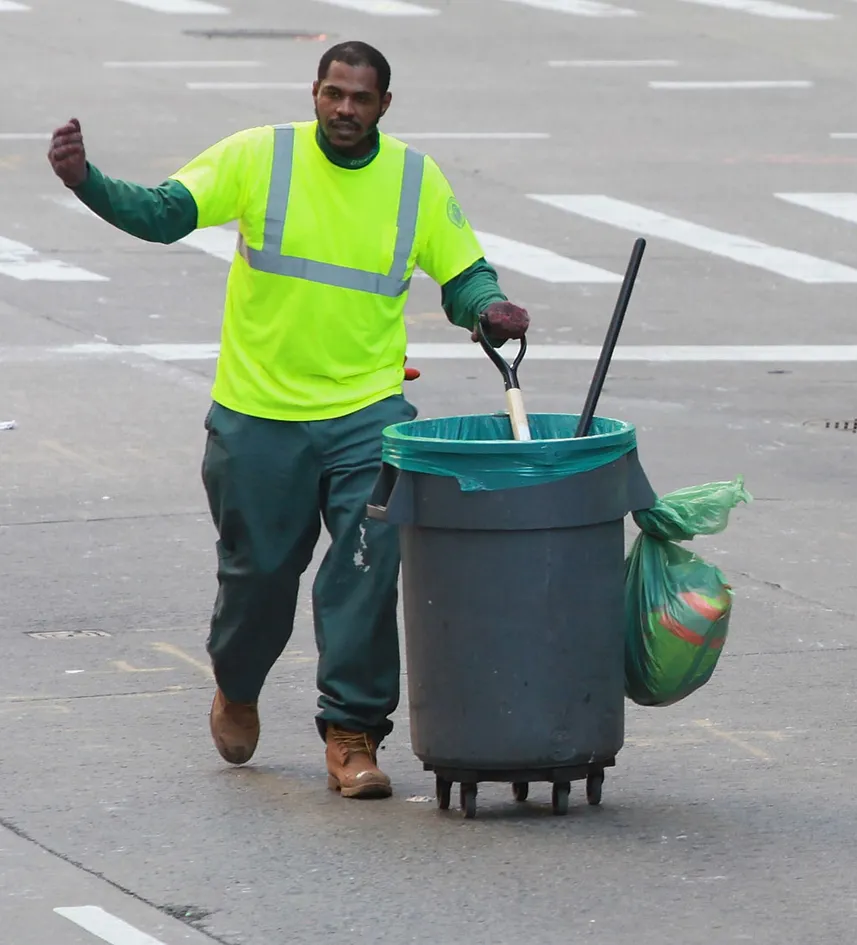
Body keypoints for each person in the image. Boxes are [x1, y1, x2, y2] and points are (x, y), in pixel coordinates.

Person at [46, 40, 531, 800]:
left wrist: (487, 309)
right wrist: (86, 182)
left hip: (365, 410)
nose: (344, 109)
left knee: (367, 567)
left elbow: (462, 271)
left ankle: (352, 733)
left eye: (360, 98)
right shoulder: (259, 156)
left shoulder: (412, 179)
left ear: (384, 106)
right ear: (314, 92)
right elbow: (165, 213)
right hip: (257, 415)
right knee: (259, 580)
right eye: (333, 93)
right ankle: (236, 685)